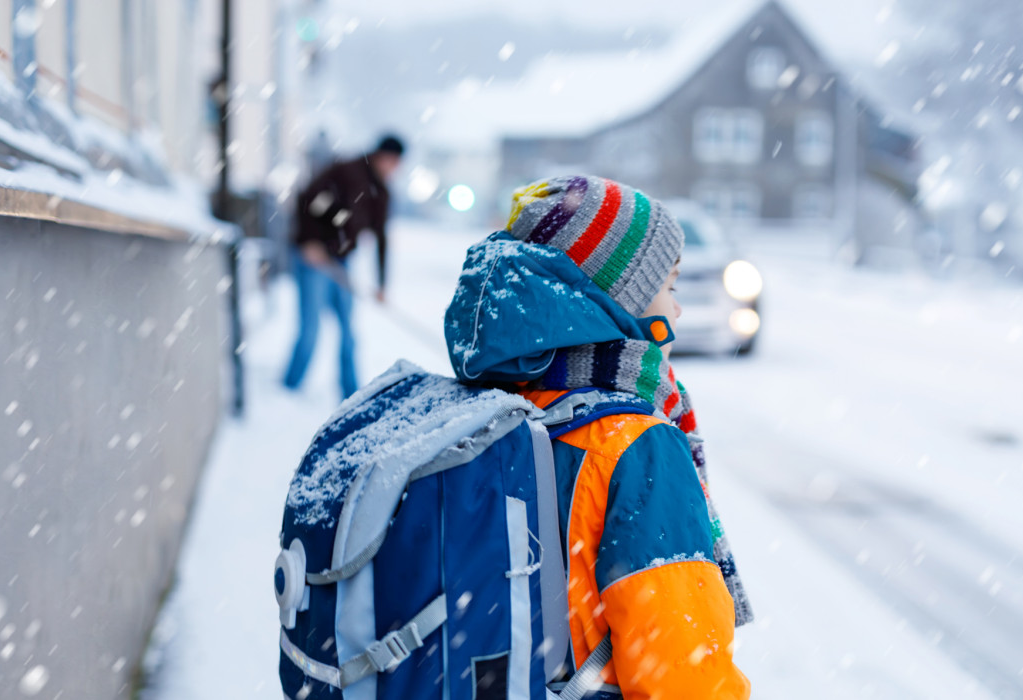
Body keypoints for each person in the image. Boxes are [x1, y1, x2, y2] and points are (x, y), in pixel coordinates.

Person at [443, 175, 752, 698]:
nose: (675, 310)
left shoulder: (494, 406)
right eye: (669, 287)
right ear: (618, 302)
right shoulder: (635, 447)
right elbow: (683, 676)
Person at [283, 134, 404, 399]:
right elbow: (310, 201)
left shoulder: (381, 193)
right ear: (380, 155)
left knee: (348, 331)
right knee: (310, 329)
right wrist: (309, 241)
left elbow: (381, 237)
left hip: (341, 261)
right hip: (313, 257)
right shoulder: (346, 171)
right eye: (390, 161)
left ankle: (350, 392)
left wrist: (382, 284)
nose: (392, 167)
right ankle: (289, 388)